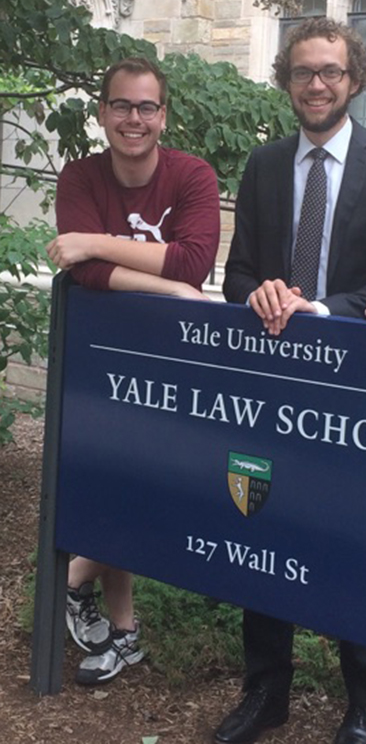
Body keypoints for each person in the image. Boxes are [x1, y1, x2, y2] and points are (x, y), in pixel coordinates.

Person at [220, 17, 366, 744]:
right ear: (287, 81)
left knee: (357, 538)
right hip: (272, 384)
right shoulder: (264, 164)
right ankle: (265, 692)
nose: (316, 84)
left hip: (356, 389)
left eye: (330, 71)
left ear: (355, 78)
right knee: (263, 522)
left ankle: (363, 706)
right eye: (303, 71)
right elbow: (238, 270)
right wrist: (260, 293)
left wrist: (323, 308)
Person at [45, 57, 220, 685]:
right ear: (102, 113)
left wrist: (95, 241)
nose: (134, 119)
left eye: (147, 107)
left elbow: (196, 259)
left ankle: (69, 577)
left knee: (155, 477)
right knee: (111, 475)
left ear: (163, 116)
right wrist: (167, 288)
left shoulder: (191, 175)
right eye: (121, 106)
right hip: (103, 360)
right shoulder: (81, 176)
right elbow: (78, 271)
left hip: (173, 365)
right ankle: (125, 631)